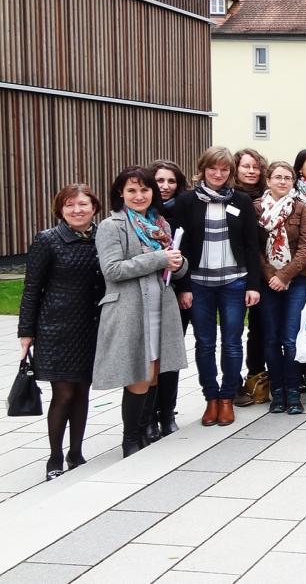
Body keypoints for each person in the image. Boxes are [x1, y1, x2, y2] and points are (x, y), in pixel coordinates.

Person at [94, 168, 188, 456]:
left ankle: (147, 430)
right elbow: (112, 269)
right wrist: (159, 258)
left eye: (144, 190)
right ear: (120, 193)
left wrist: (178, 262)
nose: (139, 196)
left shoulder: (159, 225)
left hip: (160, 306)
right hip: (130, 307)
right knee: (139, 373)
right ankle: (130, 439)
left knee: (155, 372)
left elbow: (174, 267)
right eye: (132, 190)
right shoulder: (112, 226)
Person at [19, 184, 106, 480]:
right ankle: (55, 456)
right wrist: (26, 331)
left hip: (91, 326)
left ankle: (76, 451)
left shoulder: (103, 237)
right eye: (70, 205)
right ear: (60, 210)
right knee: (63, 392)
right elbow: (32, 289)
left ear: (94, 207)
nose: (77, 210)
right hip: (57, 327)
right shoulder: (48, 240)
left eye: (83, 204)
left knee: (82, 391)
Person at [174, 147, 261, 427]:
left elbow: (251, 245)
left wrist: (253, 285)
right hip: (199, 284)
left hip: (234, 282)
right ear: (203, 169)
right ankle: (210, 398)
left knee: (233, 344)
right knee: (205, 344)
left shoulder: (241, 201)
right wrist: (184, 286)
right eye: (213, 168)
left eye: (224, 170)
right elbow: (181, 246)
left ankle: (227, 399)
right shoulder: (187, 202)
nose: (218, 174)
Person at [255, 162, 306, 415]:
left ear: (293, 181)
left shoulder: (302, 207)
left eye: (287, 177)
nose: (282, 182)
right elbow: (253, 248)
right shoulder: (256, 208)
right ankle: (276, 392)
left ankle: (293, 391)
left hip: (297, 279)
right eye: (277, 177)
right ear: (268, 180)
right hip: (267, 281)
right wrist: (272, 276)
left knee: (290, 338)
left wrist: (285, 275)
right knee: (270, 338)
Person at [149, 159, 189, 438]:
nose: (165, 186)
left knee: (171, 354)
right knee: (149, 356)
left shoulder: (184, 211)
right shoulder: (141, 216)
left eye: (171, 181)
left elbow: (192, 253)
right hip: (145, 294)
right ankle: (147, 415)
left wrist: (186, 287)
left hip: (176, 292)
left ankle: (167, 412)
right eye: (160, 181)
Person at [233, 148, 269, 407]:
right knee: (233, 331)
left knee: (259, 327)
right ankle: (232, 384)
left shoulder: (270, 197)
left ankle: (256, 376)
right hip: (235, 270)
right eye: (246, 166)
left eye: (255, 167)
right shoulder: (230, 198)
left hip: (265, 271)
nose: (251, 171)